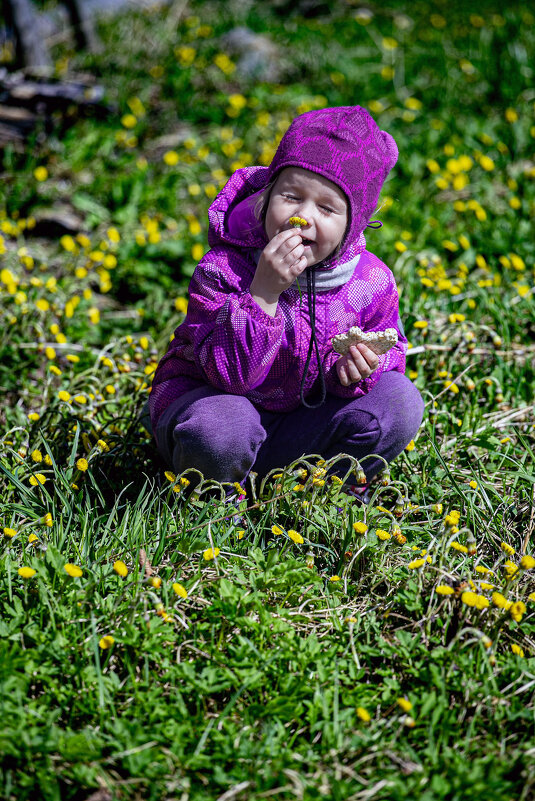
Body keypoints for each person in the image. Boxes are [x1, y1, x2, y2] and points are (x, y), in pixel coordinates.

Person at [148, 106, 424, 494]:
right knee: (224, 426)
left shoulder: (371, 282)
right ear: (267, 195)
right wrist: (262, 294)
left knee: (399, 401)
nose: (302, 217)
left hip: (296, 425)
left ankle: (318, 496)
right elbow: (228, 378)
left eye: (327, 208)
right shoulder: (224, 269)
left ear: (354, 223)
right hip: (212, 416)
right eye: (291, 196)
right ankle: (212, 504)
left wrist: (360, 369)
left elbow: (392, 346)